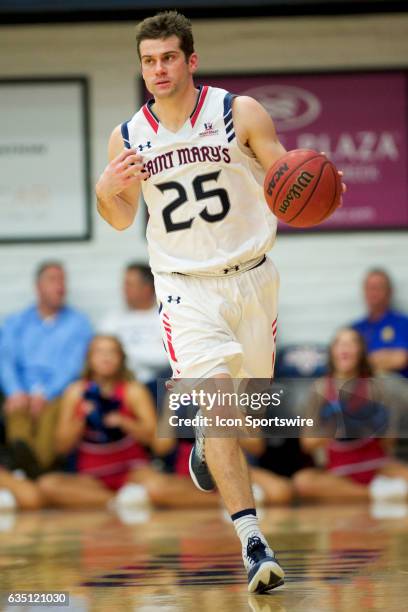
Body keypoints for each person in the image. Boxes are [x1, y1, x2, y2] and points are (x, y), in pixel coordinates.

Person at [95, 11, 344, 593]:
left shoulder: (240, 113)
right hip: (184, 286)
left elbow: (286, 179)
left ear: (190, 60)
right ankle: (253, 542)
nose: (158, 69)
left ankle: (212, 438)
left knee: (244, 402)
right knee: (218, 402)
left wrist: (321, 191)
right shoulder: (127, 137)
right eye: (148, 61)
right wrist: (107, 191)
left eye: (168, 58)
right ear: (142, 66)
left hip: (253, 278)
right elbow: (121, 217)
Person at [38, 335, 157, 509]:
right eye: (99, 352)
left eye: (112, 352)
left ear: (121, 358)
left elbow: (154, 440)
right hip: (91, 477)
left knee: (157, 485)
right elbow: (61, 447)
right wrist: (82, 418)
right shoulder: (75, 392)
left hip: (132, 471)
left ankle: (119, 499)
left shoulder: (133, 390)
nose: (106, 357)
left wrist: (124, 422)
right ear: (89, 358)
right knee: (47, 484)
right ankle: (116, 502)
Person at [294, 328, 408, 503]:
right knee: (302, 482)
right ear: (332, 352)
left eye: (352, 342)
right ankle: (373, 494)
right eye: (339, 342)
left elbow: (388, 442)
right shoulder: (320, 389)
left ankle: (363, 493)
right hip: (338, 471)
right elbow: (307, 443)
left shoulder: (378, 387)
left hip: (376, 465)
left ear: (361, 352)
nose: (345, 346)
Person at [0, 261, 93, 472]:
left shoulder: (79, 323)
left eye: (63, 280)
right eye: (53, 280)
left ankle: (32, 470)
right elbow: (5, 359)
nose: (60, 286)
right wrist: (15, 391)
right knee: (16, 412)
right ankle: (33, 468)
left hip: (58, 392)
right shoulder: (16, 321)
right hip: (21, 392)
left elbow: (73, 366)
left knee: (54, 413)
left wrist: (44, 393)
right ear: (38, 287)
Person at [99, 262, 169, 387]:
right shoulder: (112, 318)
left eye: (129, 285)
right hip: (119, 384)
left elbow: (166, 359)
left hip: (157, 384)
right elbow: (101, 353)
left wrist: (122, 352)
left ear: (147, 288)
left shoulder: (166, 316)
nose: (123, 290)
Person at [352, 269, 408, 377]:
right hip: (363, 389)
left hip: (397, 387)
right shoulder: (356, 328)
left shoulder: (403, 323)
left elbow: (401, 359)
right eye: (369, 288)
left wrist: (362, 361)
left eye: (378, 288)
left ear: (389, 291)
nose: (373, 293)